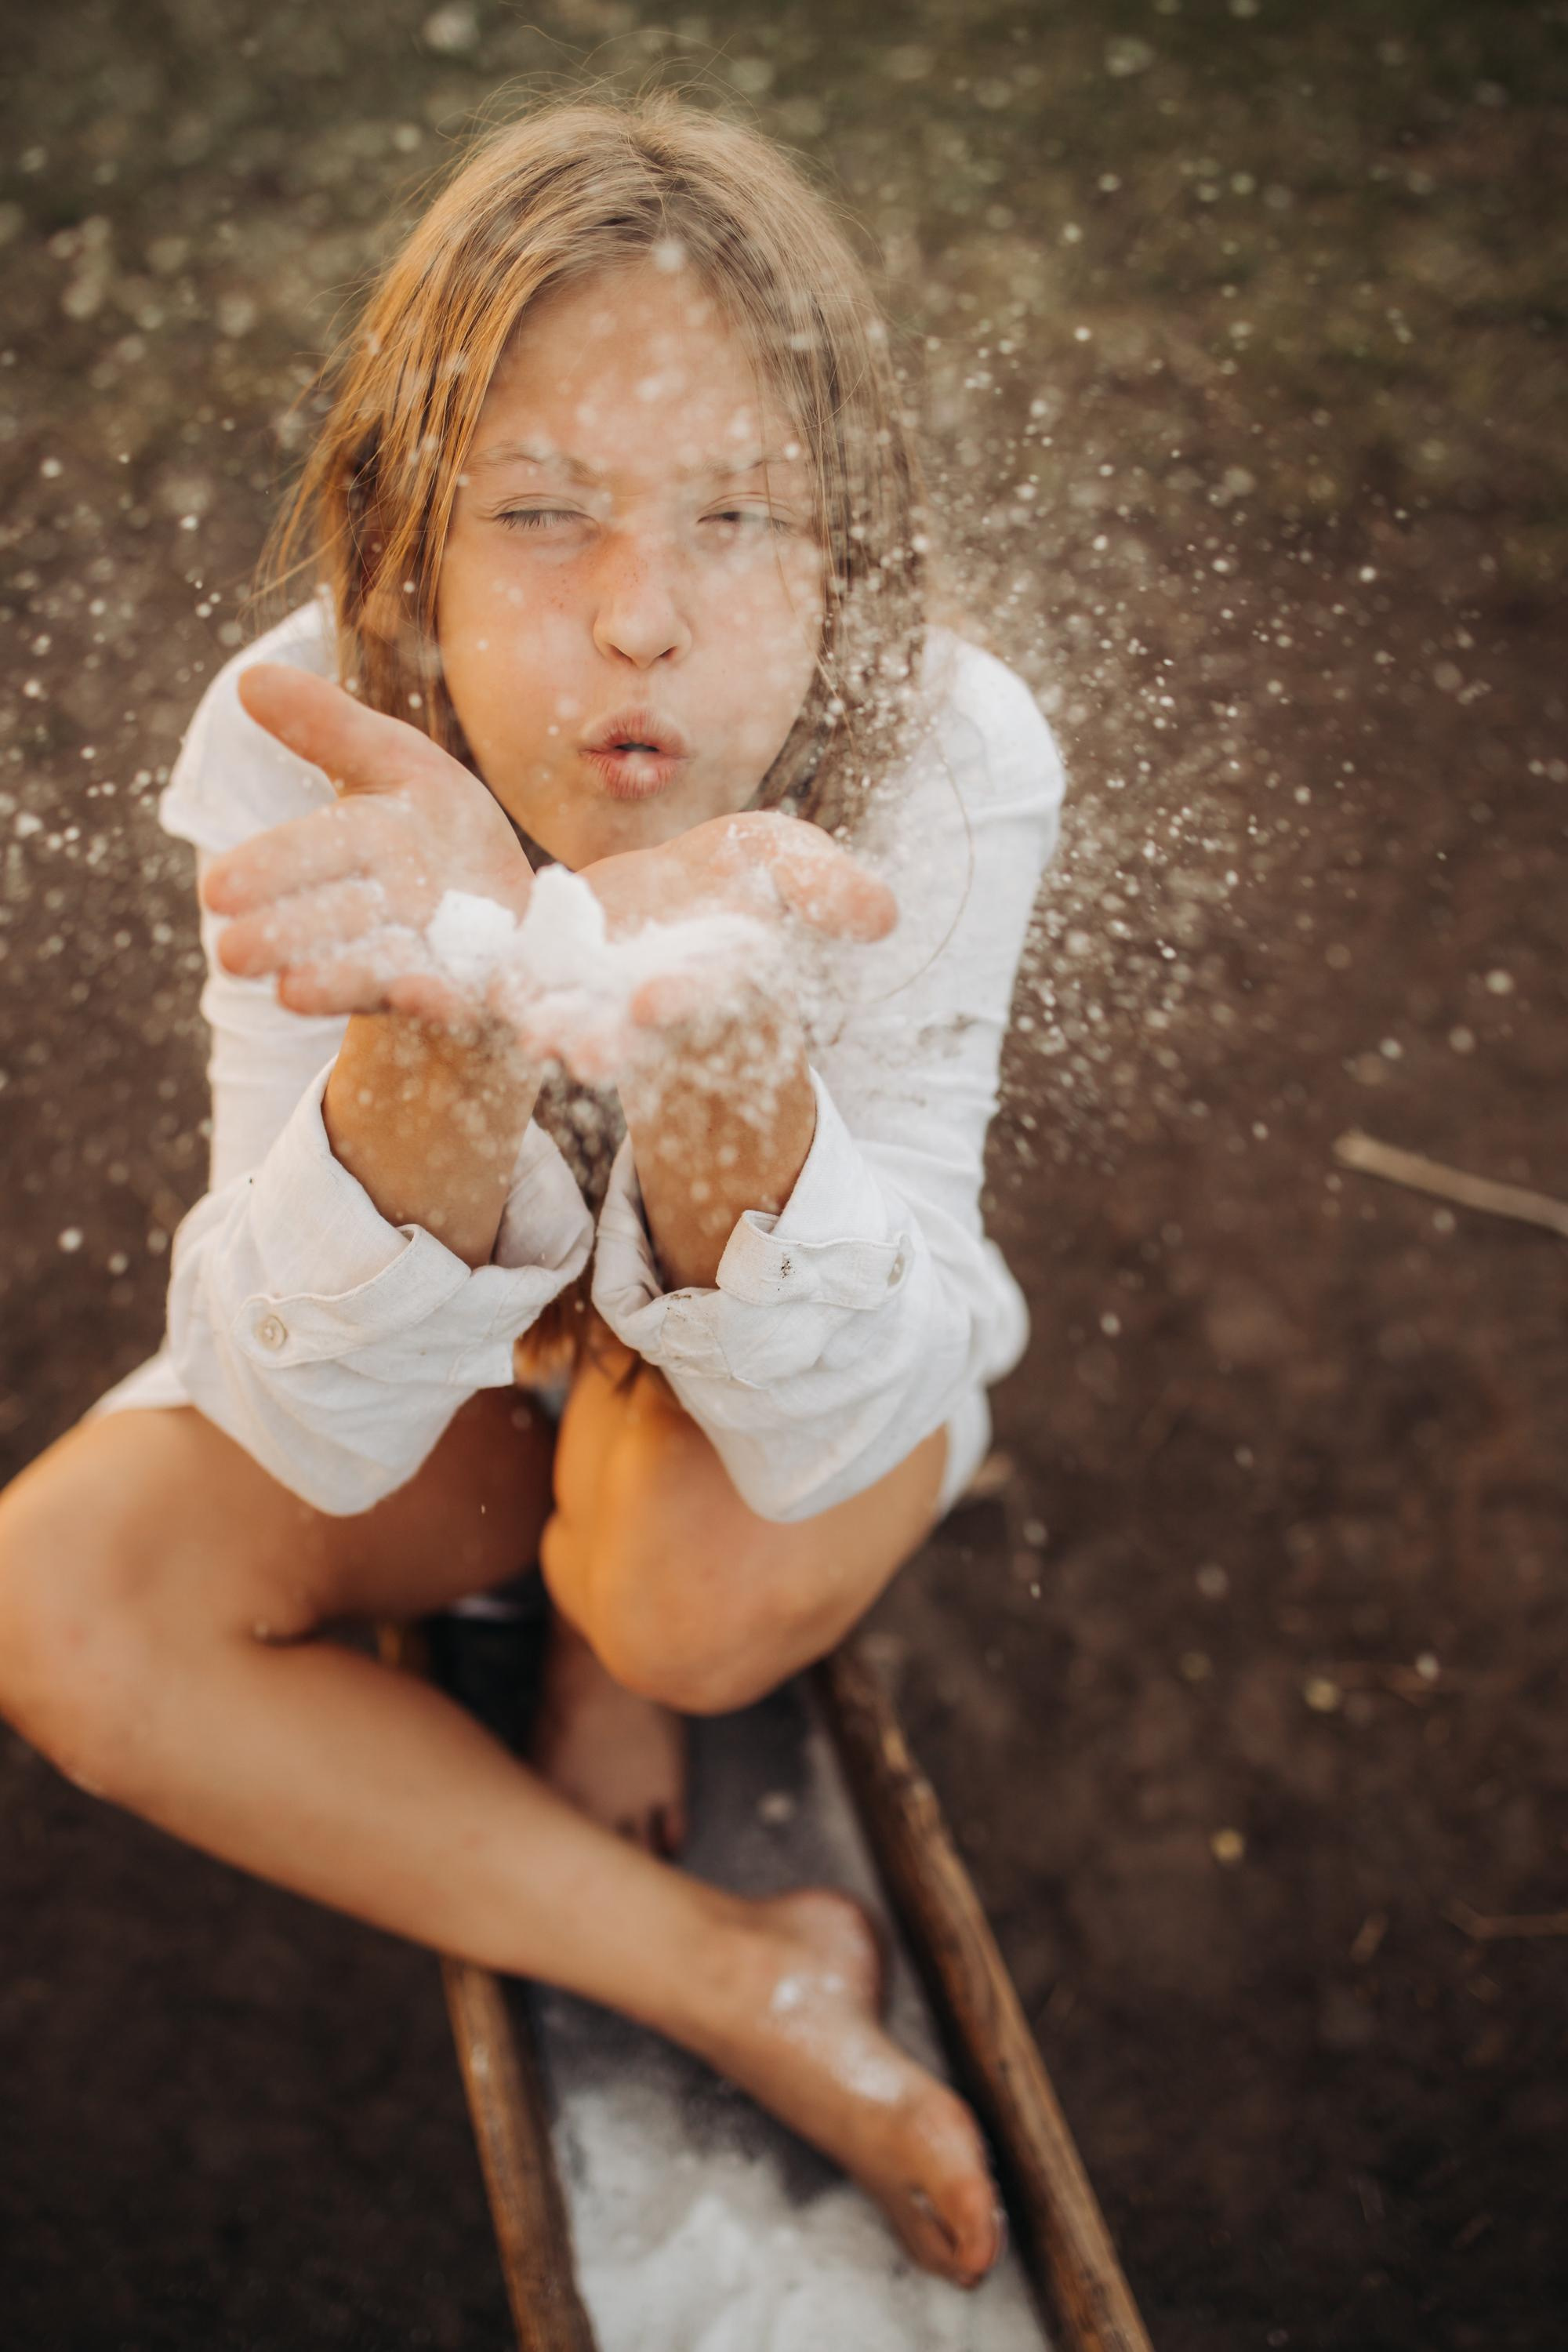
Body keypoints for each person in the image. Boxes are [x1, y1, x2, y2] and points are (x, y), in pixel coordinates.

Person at [0, 93, 1064, 2288]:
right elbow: (294, 1402)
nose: (641, 620)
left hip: (764, 1436)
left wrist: (724, 1057)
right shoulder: (306, 732)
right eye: (544, 515)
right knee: (59, 1608)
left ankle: (607, 1625)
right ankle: (730, 1972)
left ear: (848, 548)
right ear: (409, 550)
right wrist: (446, 1033)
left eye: (739, 515)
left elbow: (889, 1364)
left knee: (677, 1592)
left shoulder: (954, 759)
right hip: (474, 1392)